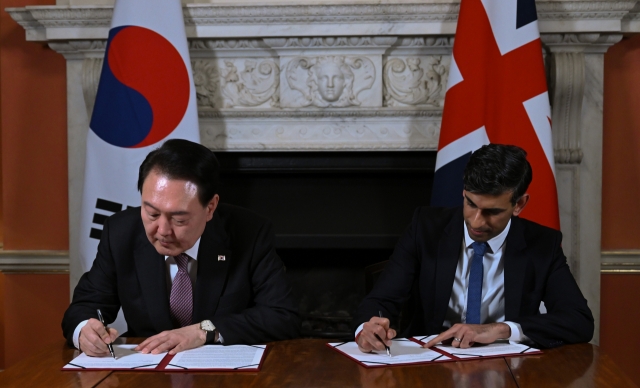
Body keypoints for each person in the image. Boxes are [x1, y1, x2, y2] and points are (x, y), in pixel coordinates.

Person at [62, 139, 300, 356]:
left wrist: (202, 331)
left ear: (210, 207)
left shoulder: (249, 233)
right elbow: (85, 306)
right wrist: (85, 330)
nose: (163, 230)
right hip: (147, 374)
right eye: (152, 213)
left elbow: (282, 315)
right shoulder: (121, 233)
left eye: (179, 219)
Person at [353, 144, 594, 352]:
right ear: (464, 192)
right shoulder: (426, 228)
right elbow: (382, 299)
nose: (477, 221)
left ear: (519, 204)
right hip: (429, 363)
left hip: (507, 367)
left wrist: (500, 329)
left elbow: (579, 320)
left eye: (493, 211)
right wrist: (368, 328)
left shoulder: (542, 243)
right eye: (471, 204)